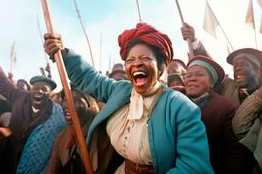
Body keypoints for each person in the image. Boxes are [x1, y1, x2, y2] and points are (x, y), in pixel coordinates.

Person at [44, 22, 214, 174]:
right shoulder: (120, 91)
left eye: (145, 58)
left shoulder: (180, 106)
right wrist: (63, 54)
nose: (136, 63)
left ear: (161, 67)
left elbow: (194, 167)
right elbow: (90, 78)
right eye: (130, 60)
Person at [184, 55, 256, 173]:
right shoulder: (174, 103)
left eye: (199, 74)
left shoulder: (226, 108)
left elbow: (237, 154)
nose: (192, 79)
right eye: (188, 75)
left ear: (212, 82)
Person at [0, 61, 66, 174]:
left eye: (44, 89)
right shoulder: (19, 97)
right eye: (36, 88)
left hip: (35, 164)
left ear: (49, 94)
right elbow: (1, 81)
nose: (39, 91)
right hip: (9, 156)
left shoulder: (57, 114)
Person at [46, 86, 97, 174]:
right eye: (65, 99)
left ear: (89, 104)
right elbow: (54, 168)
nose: (68, 104)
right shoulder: (62, 137)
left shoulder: (102, 130)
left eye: (76, 100)